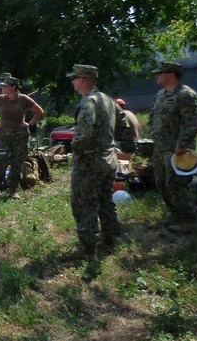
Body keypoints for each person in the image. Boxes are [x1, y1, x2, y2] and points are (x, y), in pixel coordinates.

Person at [66, 64, 121, 261]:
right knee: (105, 200)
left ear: (82, 79)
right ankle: (111, 239)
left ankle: (89, 250)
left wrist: (78, 150)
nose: (72, 81)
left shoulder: (88, 102)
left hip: (90, 162)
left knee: (84, 204)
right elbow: (121, 122)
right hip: (108, 158)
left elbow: (84, 131)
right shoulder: (106, 99)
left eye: (74, 78)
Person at [147, 61, 197, 233]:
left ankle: (190, 221)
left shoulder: (186, 95)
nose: (157, 76)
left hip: (178, 151)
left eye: (159, 73)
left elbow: (192, 122)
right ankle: (176, 215)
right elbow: (151, 116)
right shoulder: (161, 95)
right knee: (162, 184)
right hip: (160, 148)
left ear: (170, 74)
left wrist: (182, 145)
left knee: (177, 186)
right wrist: (152, 131)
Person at [0, 76, 44, 199]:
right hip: (3, 135)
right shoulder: (0, 99)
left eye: (6, 86)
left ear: (13, 87)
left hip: (20, 135)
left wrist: (30, 123)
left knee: (17, 163)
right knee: (1, 162)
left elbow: (39, 111)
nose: (3, 87)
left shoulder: (23, 99)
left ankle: (13, 190)